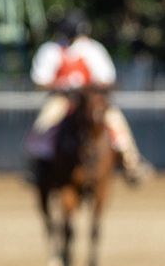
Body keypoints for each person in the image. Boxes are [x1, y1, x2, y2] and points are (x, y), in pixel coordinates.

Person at [26, 11, 149, 183]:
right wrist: (63, 86)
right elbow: (40, 81)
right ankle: (36, 165)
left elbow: (107, 80)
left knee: (115, 120)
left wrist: (87, 88)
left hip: (90, 101)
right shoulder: (51, 50)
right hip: (62, 99)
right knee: (45, 122)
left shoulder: (93, 49)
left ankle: (132, 162)